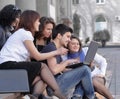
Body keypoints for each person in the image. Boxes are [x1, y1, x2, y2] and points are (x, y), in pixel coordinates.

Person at [0, 10, 68, 99]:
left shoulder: (22, 33)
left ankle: (32, 97)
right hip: (7, 65)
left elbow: (32, 56)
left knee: (43, 78)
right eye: (37, 21)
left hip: (10, 66)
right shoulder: (25, 33)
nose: (39, 23)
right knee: (42, 66)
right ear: (31, 21)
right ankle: (59, 94)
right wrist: (57, 52)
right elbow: (37, 56)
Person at [41, 24, 95, 99]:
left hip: (56, 83)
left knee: (84, 69)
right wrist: (67, 62)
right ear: (59, 36)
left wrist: (77, 68)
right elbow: (54, 70)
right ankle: (91, 97)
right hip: (52, 87)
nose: (69, 40)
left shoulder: (56, 48)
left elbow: (61, 69)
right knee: (85, 70)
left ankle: (77, 96)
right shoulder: (51, 48)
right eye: (68, 36)